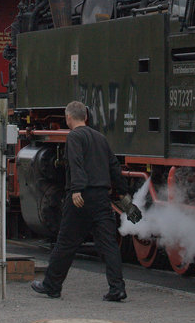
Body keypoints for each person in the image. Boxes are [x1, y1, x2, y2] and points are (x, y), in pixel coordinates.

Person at [31, 101, 129, 301]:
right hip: (102, 198)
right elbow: (114, 167)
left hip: (81, 198)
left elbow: (76, 163)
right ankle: (117, 288)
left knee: (66, 243)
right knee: (109, 244)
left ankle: (52, 285)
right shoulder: (101, 138)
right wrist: (123, 193)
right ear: (86, 116)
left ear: (68, 118)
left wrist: (76, 189)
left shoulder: (74, 137)